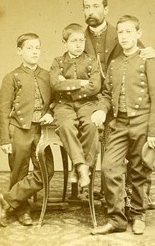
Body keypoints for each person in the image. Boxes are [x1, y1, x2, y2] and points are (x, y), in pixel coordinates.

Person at [83, 0, 155, 209]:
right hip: (94, 102)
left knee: (135, 150)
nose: (91, 11)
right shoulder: (79, 36)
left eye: (96, 6)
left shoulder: (122, 33)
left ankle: (136, 197)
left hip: (118, 101)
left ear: (106, 9)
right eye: (87, 6)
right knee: (106, 152)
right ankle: (108, 196)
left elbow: (142, 56)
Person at [91, 15, 155, 235]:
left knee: (140, 170)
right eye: (121, 33)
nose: (124, 37)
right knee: (109, 168)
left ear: (138, 34)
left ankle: (138, 214)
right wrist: (100, 109)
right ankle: (116, 218)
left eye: (128, 32)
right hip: (119, 123)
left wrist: (154, 130)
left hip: (143, 123)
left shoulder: (148, 60)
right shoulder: (114, 64)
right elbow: (106, 94)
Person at [0, 33, 54, 227]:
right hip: (19, 129)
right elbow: (3, 110)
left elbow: (57, 100)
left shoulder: (47, 75)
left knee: (46, 171)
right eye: (29, 47)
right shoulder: (11, 77)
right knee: (19, 171)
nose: (34, 51)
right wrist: (5, 139)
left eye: (37, 47)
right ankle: (22, 211)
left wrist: (51, 113)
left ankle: (7, 200)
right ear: (19, 51)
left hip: (42, 130)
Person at [49, 23, 101, 188]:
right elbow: (55, 84)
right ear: (65, 42)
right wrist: (81, 82)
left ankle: (79, 168)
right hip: (64, 105)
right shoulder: (58, 62)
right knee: (65, 125)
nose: (79, 44)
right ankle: (81, 167)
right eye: (74, 41)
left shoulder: (92, 61)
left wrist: (69, 85)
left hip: (87, 103)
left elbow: (95, 86)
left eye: (81, 40)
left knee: (91, 125)